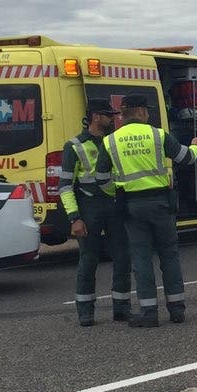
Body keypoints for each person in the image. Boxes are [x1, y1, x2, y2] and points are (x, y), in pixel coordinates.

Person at [99, 92, 197, 327]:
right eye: (146, 111)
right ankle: (177, 309)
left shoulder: (111, 141)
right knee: (169, 255)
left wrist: (117, 191)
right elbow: (185, 158)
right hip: (161, 204)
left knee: (141, 258)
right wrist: (196, 146)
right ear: (139, 112)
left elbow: (101, 178)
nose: (148, 114)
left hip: (131, 206)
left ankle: (148, 312)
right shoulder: (157, 135)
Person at [59, 98, 131, 327]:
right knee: (89, 259)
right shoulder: (74, 146)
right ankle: (85, 311)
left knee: (122, 257)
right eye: (109, 115)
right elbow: (65, 186)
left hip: (114, 205)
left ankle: (121, 308)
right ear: (96, 117)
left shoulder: (112, 142)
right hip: (89, 207)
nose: (113, 119)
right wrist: (74, 218)